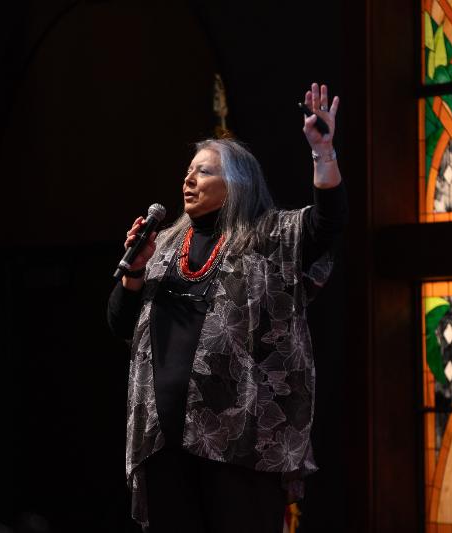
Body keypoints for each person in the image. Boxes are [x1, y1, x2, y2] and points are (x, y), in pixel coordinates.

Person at [107, 82, 348, 532]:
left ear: (237, 184)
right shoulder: (164, 248)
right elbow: (120, 322)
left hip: (240, 448)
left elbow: (326, 224)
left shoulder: (267, 237)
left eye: (203, 172)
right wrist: (135, 271)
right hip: (164, 444)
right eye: (188, 171)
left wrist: (323, 153)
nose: (188, 180)